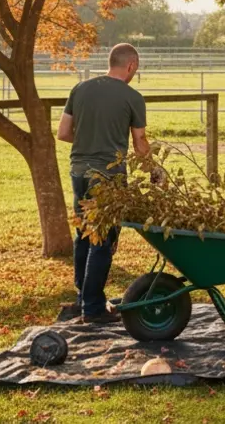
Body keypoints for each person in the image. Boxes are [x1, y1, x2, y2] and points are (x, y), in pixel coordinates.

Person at [57, 43, 149, 323]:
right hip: (109, 178)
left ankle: (82, 297)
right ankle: (94, 308)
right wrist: (153, 169)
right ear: (131, 65)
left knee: (84, 233)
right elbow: (140, 142)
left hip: (78, 172)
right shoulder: (133, 97)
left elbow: (63, 133)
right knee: (103, 239)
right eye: (137, 68)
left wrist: (89, 142)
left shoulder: (80, 89)